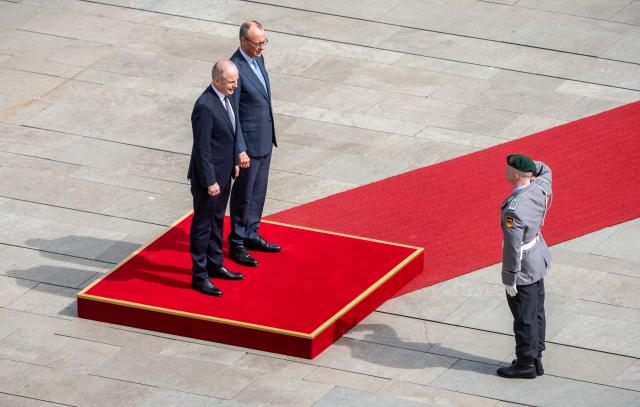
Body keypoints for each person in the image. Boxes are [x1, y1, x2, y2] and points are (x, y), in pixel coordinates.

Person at [188, 60, 245, 296]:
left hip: (224, 174)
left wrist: (234, 159)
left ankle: (215, 264)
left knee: (217, 221)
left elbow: (229, 133)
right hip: (208, 180)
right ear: (216, 80)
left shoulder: (226, 95)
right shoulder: (205, 106)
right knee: (203, 225)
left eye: (236, 81)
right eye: (231, 82)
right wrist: (211, 181)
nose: (235, 86)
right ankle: (200, 275)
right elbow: (203, 149)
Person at [228, 20, 280, 267]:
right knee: (243, 195)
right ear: (242, 42)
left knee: (258, 191)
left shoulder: (258, 59)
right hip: (248, 145)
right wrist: (240, 149)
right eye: (257, 43)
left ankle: (252, 233)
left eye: (263, 42)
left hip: (264, 139)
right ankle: (237, 241)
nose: (261, 48)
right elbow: (233, 112)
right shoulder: (234, 68)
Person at [497, 154, 552, 379]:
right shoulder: (540, 186)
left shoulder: (514, 210)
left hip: (524, 265)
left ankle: (526, 363)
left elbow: (512, 248)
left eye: (508, 169)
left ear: (515, 175)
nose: (505, 171)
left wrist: (509, 278)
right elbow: (545, 168)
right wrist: (531, 166)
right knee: (537, 310)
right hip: (538, 256)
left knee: (524, 316)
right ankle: (536, 356)